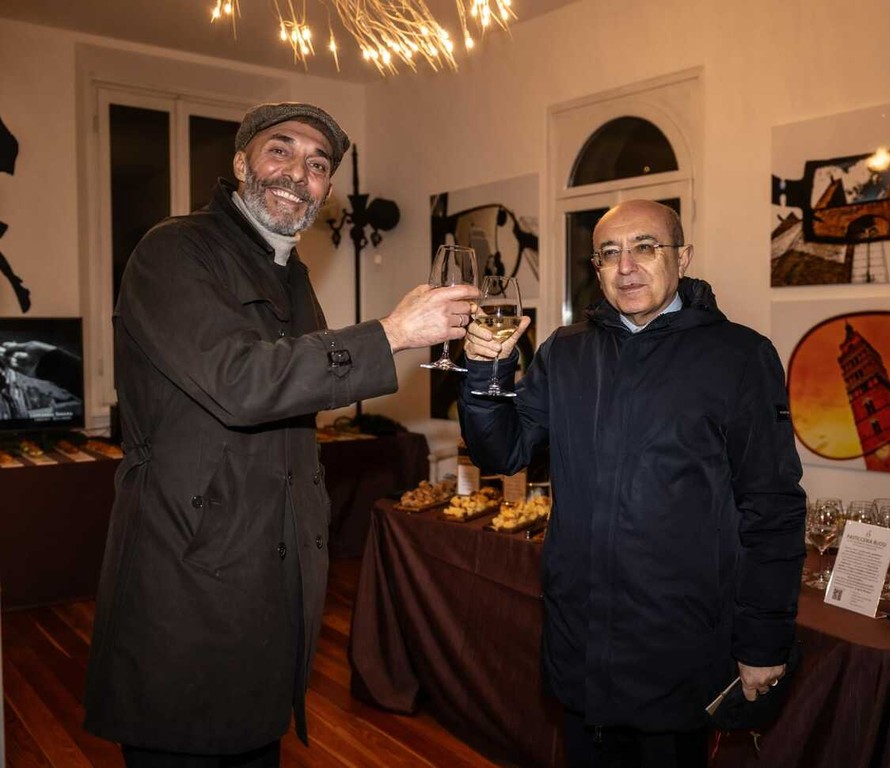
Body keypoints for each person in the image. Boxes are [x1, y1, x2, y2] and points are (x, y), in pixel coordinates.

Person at [83, 101, 479, 767]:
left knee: (252, 743)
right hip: (188, 572)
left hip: (271, 580)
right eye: (281, 150)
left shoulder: (290, 275)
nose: (299, 172)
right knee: (183, 741)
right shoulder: (174, 251)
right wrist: (392, 333)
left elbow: (294, 402)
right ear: (241, 163)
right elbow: (241, 382)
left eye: (318, 164)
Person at [459, 199, 806, 768]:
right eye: (610, 253)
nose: (626, 267)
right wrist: (485, 372)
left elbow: (773, 507)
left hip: (679, 645)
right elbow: (501, 451)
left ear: (682, 258)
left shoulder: (740, 357)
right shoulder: (565, 352)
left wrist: (764, 640)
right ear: (596, 268)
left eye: (645, 247)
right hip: (580, 637)